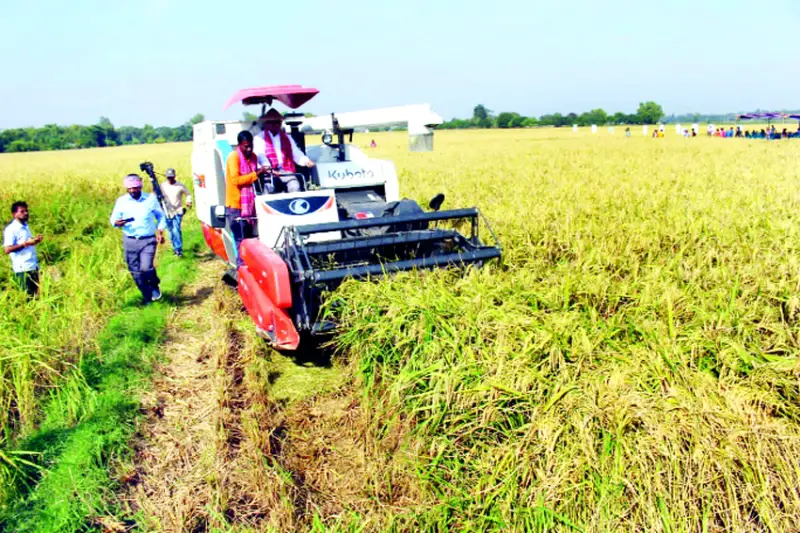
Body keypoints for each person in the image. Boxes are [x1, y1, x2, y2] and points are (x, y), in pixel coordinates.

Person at [110, 174, 167, 303]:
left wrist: (160, 230)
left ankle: (154, 285)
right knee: (136, 273)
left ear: (140, 186)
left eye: (135, 188)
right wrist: (117, 223)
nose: (132, 191)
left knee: (146, 268)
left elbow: (161, 216)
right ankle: (147, 298)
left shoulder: (150, 200)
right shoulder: (122, 201)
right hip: (130, 241)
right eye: (129, 188)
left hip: (147, 240)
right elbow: (113, 219)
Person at [226, 130, 268, 265]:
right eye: (246, 146)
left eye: (251, 146)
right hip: (236, 205)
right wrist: (256, 174)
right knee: (240, 240)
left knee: (250, 240)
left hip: (250, 206)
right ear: (239, 145)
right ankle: (242, 270)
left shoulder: (254, 157)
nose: (249, 149)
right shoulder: (234, 157)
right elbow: (236, 180)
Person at [252, 108, 315, 193]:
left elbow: (295, 152)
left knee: (295, 186)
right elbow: (260, 156)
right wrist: (270, 170)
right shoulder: (259, 138)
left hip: (285, 170)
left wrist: (306, 161)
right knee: (269, 190)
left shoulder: (287, 137)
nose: (276, 124)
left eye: (278, 122)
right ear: (267, 123)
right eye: (273, 122)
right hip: (268, 173)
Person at [3, 201, 43, 296]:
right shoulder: (11, 229)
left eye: (26, 211)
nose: (26, 213)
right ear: (14, 214)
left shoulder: (25, 226)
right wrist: (26, 244)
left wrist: (35, 240)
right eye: (22, 211)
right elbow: (7, 249)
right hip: (23, 268)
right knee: (27, 296)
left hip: (32, 266)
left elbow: (27, 243)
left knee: (36, 296)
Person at [160, 168, 192, 257]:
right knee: (170, 231)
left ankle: (178, 249)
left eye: (171, 177)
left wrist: (188, 201)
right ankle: (175, 248)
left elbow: (188, 194)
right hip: (167, 212)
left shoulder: (180, 186)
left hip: (178, 211)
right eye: (168, 177)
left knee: (176, 229)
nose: (170, 179)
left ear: (174, 176)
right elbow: (156, 195)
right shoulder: (162, 186)